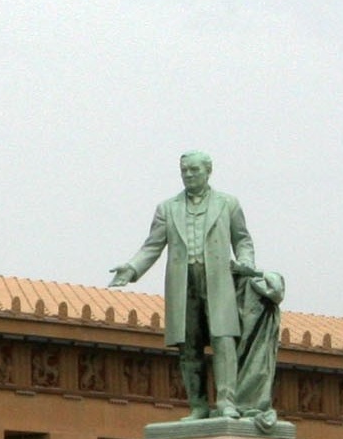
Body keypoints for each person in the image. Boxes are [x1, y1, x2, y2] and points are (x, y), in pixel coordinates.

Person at [109, 151, 257, 420]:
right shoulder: (168, 208)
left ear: (208, 171)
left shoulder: (228, 204)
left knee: (223, 340)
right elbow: (152, 245)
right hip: (182, 282)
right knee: (188, 346)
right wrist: (131, 268)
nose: (188, 175)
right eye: (184, 171)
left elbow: (243, 240)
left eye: (194, 170)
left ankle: (226, 402)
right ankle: (198, 406)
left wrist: (246, 261)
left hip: (218, 281)